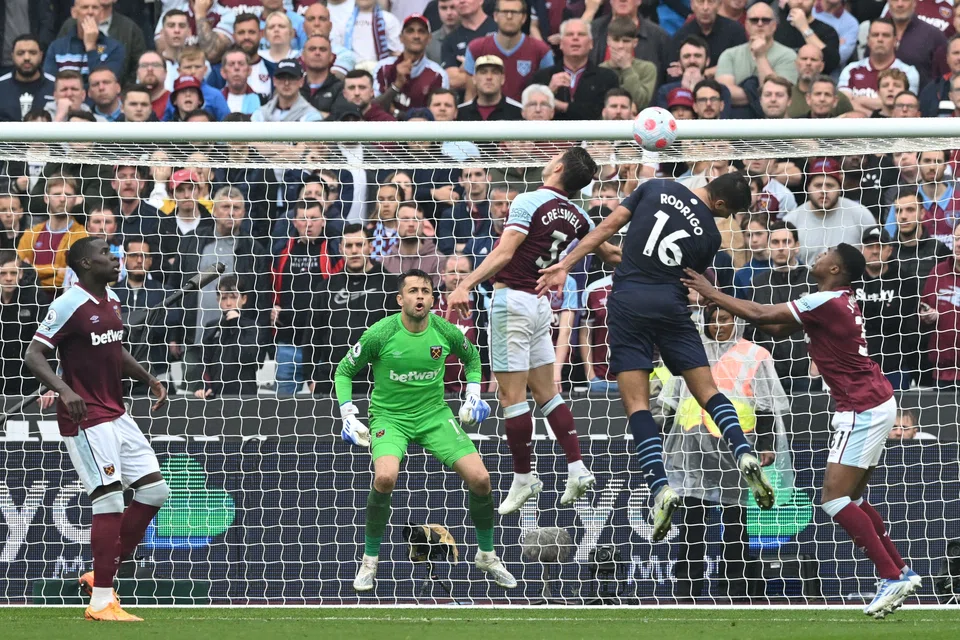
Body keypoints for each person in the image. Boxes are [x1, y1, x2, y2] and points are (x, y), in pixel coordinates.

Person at [681, 244, 922, 617]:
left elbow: (760, 313)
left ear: (836, 268)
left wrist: (711, 292)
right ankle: (900, 570)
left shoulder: (825, 301)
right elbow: (774, 327)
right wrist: (729, 306)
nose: (819, 255)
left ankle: (891, 576)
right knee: (853, 499)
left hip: (861, 408)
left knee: (834, 499)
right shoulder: (834, 302)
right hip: (874, 401)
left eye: (827, 253)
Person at [537, 171, 775, 542]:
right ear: (720, 204)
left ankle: (660, 487)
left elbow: (607, 229)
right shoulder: (710, 237)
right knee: (709, 392)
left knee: (637, 405)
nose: (724, 219)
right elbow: (682, 277)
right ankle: (743, 450)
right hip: (672, 309)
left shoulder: (655, 187)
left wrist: (565, 263)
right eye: (728, 213)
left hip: (629, 302)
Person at [447, 147, 621, 515]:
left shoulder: (528, 200)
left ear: (558, 167)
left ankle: (524, 477)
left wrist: (465, 283)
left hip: (511, 302)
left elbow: (504, 253)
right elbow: (611, 254)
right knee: (546, 392)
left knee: (511, 396)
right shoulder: (579, 215)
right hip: (542, 306)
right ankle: (577, 467)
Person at [337, 268, 516, 592]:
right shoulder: (380, 333)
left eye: (426, 291)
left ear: (433, 299)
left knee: (481, 479)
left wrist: (473, 394)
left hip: (434, 415)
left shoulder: (444, 330)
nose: (420, 296)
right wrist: (348, 413)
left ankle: (487, 555)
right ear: (400, 299)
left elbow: (473, 358)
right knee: (385, 478)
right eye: (413, 291)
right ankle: (369, 560)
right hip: (390, 418)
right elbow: (344, 371)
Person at [24, 236, 169, 622]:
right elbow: (33, 354)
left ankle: (100, 575)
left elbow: (114, 349)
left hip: (116, 411)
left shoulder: (112, 300)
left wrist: (148, 379)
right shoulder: (67, 303)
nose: (115, 259)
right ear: (86, 264)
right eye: (105, 254)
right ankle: (102, 601)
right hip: (86, 417)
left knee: (155, 491)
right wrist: (64, 390)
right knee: (109, 502)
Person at [660, 305, 791, 599]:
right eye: (713, 320)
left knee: (735, 522)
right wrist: (666, 442)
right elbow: (674, 403)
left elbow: (766, 405)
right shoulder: (689, 351)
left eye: (725, 319)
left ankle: (735, 588)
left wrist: (766, 444)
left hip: (735, 447)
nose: (719, 326)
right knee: (691, 522)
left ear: (736, 321)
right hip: (692, 445)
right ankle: (687, 589)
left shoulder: (755, 354)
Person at [310, 224, 399, 394]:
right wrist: (310, 377)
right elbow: (312, 335)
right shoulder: (326, 287)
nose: (354, 251)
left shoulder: (390, 285)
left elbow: (399, 335)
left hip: (377, 380)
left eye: (359, 244)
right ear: (340, 249)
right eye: (349, 246)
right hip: (332, 379)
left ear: (370, 247)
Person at [272, 199, 344, 397]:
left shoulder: (333, 252)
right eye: (303, 219)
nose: (309, 224)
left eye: (314, 218)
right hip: (288, 342)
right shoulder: (282, 251)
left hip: (321, 345)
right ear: (294, 222)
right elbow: (271, 285)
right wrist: (273, 306)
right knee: (283, 406)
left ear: (323, 221)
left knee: (324, 405)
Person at [857, 226, 921, 390]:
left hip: (895, 366)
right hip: (857, 368)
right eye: (870, 246)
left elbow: (900, 321)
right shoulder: (851, 281)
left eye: (880, 246)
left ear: (889, 250)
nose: (874, 251)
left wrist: (867, 313)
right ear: (862, 249)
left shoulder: (905, 281)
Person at [783, 158, 875, 266]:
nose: (824, 191)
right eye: (818, 185)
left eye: (830, 185)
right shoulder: (791, 221)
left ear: (840, 188)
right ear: (808, 188)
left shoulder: (861, 214)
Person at [464, 0, 553, 103]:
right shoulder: (476, 48)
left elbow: (547, 94)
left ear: (524, 17)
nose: (509, 16)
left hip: (525, 112)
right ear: (495, 16)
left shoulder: (541, 51)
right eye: (504, 12)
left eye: (514, 12)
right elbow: (470, 94)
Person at [531, 19, 620, 121]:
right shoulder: (541, 77)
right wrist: (549, 92)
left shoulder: (607, 78)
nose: (575, 38)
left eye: (581, 34)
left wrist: (562, 106)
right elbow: (531, 112)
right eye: (569, 34)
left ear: (591, 43)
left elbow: (601, 112)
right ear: (561, 43)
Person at [715, 3, 798, 110]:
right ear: (746, 25)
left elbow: (777, 94)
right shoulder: (729, 55)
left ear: (774, 25)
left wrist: (760, 56)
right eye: (754, 20)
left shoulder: (788, 55)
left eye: (765, 20)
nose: (760, 24)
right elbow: (724, 93)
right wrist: (758, 95)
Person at [195, 274, 265, 398]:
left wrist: (236, 324)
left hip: (244, 396)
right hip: (215, 396)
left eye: (233, 297)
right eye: (224, 298)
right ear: (218, 300)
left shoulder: (253, 327)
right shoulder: (212, 327)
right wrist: (204, 387)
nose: (228, 303)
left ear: (244, 299)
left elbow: (248, 357)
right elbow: (204, 362)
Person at [16, 175, 86, 297]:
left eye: (68, 195)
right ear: (46, 198)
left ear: (75, 199)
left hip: (66, 301)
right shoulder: (30, 234)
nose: (62, 199)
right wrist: (56, 270)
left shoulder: (81, 236)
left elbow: (74, 278)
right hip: (32, 301)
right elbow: (19, 272)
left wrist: (34, 271)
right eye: (57, 194)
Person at [838, 19, 919, 117]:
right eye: (875, 35)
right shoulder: (851, 69)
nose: (880, 39)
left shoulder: (908, 72)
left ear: (895, 41)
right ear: (868, 40)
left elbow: (905, 105)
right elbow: (843, 104)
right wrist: (878, 113)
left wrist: (860, 100)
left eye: (886, 35)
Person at [374, 14, 448, 114]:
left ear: (429, 38)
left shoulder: (438, 74)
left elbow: (439, 114)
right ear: (401, 38)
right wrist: (397, 85)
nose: (416, 36)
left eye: (421, 31)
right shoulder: (383, 67)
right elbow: (373, 109)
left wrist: (396, 112)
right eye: (410, 31)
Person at [43, 0, 125, 82]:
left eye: (95, 8)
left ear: (101, 14)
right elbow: (49, 83)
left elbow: (103, 84)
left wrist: (91, 47)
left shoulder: (114, 48)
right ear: (74, 13)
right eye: (85, 7)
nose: (90, 12)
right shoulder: (57, 48)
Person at [0, 250, 42, 397]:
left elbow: (48, 343)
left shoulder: (35, 299)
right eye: (3, 273)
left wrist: (47, 386)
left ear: (21, 274)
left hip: (29, 384)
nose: (8, 278)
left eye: (13, 273)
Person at [599, 17, 658, 111]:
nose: (620, 46)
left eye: (626, 41)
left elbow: (641, 102)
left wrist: (627, 68)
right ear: (608, 41)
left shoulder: (647, 68)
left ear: (635, 43)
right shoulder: (600, 69)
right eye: (616, 40)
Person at [380, 202, 442, 288]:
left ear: (423, 225)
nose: (411, 224)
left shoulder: (438, 260)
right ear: (396, 224)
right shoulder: (385, 263)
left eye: (416, 219)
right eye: (405, 219)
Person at [669, 0, 747, 69]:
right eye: (700, 1)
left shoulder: (736, 31)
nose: (705, 8)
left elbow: (740, 65)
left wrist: (706, 73)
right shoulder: (681, 36)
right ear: (692, 5)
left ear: (719, 5)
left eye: (711, 2)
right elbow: (673, 71)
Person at [773, 0, 842, 74]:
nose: (800, 1)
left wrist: (804, 28)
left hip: (814, 79)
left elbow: (831, 63)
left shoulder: (827, 31)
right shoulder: (775, 28)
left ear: (815, 2)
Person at [329, 0, 401, 68]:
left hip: (381, 70)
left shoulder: (389, 19)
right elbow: (338, 50)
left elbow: (396, 51)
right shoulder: (345, 20)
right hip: (352, 71)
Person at [0, 35, 55, 122]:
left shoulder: (55, 86)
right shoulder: (1, 86)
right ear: (12, 56)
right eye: (20, 53)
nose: (27, 58)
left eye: (32, 53)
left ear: (41, 55)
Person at [252, 58, 323, 122]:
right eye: (282, 77)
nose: (286, 83)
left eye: (292, 78)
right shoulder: (260, 115)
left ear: (301, 82)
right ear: (274, 81)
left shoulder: (311, 116)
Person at [456, 55, 522, 121]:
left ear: (502, 79)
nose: (489, 77)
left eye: (495, 72)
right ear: (474, 78)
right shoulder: (459, 113)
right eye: (483, 72)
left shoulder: (519, 112)